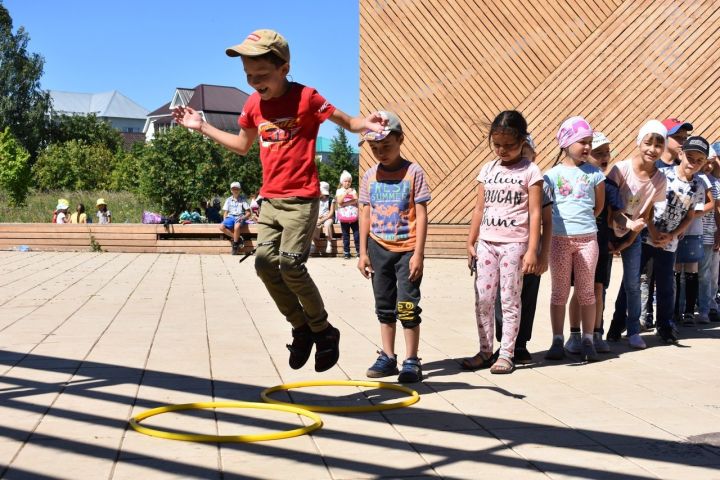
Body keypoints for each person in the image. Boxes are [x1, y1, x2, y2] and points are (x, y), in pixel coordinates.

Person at [172, 28, 385, 372]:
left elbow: (347, 121)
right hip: (269, 200)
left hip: (302, 198)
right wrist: (202, 127)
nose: (255, 82)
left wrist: (366, 124)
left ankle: (323, 331)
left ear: (284, 67)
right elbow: (242, 145)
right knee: (263, 264)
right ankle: (302, 329)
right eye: (248, 76)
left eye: (262, 75)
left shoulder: (308, 98)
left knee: (290, 264)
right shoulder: (253, 103)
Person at [460, 110, 542, 375]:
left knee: (509, 298)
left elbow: (536, 213)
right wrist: (471, 240)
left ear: (522, 141)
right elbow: (478, 207)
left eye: (509, 145)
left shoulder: (531, 171)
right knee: (483, 298)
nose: (502, 150)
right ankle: (485, 350)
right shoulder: (487, 169)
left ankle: (506, 353)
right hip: (487, 243)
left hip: (514, 245)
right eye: (497, 144)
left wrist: (532, 250)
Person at [357, 111, 431, 383]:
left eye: (386, 146)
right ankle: (388, 356)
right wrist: (363, 252)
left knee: (407, 307)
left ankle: (412, 360)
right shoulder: (369, 176)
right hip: (378, 249)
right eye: (375, 148)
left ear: (400, 139)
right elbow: (365, 214)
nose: (380, 152)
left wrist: (419, 254)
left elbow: (421, 213)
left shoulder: (413, 172)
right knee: (384, 306)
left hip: (407, 249)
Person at [543, 117, 605, 362]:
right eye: (582, 142)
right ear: (566, 142)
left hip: (587, 239)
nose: (587, 147)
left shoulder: (595, 174)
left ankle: (588, 339)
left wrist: (583, 225)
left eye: (590, 142)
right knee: (559, 292)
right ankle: (557, 340)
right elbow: (546, 209)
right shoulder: (550, 175)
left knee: (586, 292)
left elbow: (598, 207)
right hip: (559, 240)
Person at [491, 136, 553, 365]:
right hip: (502, 250)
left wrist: (542, 254)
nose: (521, 160)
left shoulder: (539, 183)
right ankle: (503, 342)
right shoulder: (498, 179)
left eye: (526, 155)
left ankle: (521, 344)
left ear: (534, 157)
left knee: (526, 297)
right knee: (501, 296)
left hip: (529, 253)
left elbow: (547, 221)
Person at [606, 121, 669, 349]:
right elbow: (610, 209)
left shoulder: (660, 179)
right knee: (601, 284)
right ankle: (595, 331)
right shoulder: (620, 169)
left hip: (634, 236)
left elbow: (649, 210)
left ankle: (633, 330)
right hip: (610, 231)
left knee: (633, 283)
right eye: (648, 143)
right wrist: (624, 230)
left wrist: (634, 237)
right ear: (638, 142)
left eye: (658, 145)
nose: (652, 149)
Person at [643, 136, 708, 343]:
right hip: (647, 236)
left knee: (666, 284)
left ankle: (665, 325)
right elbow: (647, 205)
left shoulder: (698, 185)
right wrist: (653, 231)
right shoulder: (663, 175)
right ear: (681, 154)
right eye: (690, 157)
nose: (693, 163)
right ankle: (624, 324)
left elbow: (690, 214)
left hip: (670, 241)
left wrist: (673, 234)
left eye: (699, 160)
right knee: (636, 281)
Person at [567, 132, 623, 355]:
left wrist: (622, 237)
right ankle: (574, 335)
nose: (603, 157)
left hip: (600, 244)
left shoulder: (608, 184)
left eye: (606, 153)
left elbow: (615, 215)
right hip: (576, 242)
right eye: (598, 152)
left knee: (598, 288)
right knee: (578, 290)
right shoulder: (573, 179)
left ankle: (597, 333)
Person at [698, 149, 720, 324]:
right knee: (685, 274)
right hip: (691, 233)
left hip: (708, 233)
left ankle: (707, 307)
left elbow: (716, 210)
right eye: (706, 162)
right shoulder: (694, 180)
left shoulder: (714, 183)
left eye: (711, 162)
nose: (708, 166)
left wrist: (717, 233)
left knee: (707, 273)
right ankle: (685, 309)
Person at [221, 181, 252, 255]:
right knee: (221, 227)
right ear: (231, 190)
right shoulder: (228, 200)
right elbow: (225, 212)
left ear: (240, 190)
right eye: (233, 189)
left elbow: (248, 213)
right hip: (230, 217)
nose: (235, 190)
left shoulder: (243, 200)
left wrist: (243, 217)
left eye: (237, 189)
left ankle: (235, 245)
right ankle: (239, 238)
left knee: (237, 226)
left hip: (240, 216)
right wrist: (225, 221)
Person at [336, 170, 360, 259]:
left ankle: (359, 252)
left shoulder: (353, 190)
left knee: (357, 235)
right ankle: (346, 252)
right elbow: (339, 201)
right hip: (344, 216)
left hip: (353, 216)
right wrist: (346, 193)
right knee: (345, 235)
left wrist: (344, 203)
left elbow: (356, 199)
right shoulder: (339, 191)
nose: (348, 183)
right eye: (346, 181)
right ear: (342, 182)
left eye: (349, 181)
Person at [312, 181, 335, 255]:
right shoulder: (316, 199)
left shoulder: (331, 200)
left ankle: (329, 243)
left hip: (328, 217)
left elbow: (331, 212)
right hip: (318, 217)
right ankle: (313, 243)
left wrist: (323, 219)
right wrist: (318, 218)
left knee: (327, 224)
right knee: (314, 224)